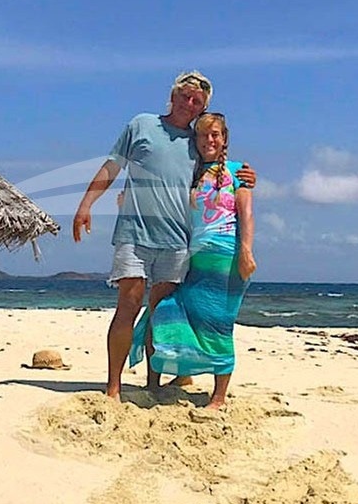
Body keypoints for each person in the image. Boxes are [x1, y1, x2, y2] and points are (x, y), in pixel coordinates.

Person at [72, 71, 254, 401]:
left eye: (196, 101)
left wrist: (246, 176)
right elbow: (112, 166)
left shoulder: (197, 142)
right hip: (134, 233)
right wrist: (86, 204)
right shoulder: (141, 124)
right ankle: (113, 387)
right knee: (127, 306)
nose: (189, 103)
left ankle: (152, 383)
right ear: (172, 95)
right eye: (184, 96)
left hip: (176, 242)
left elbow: (220, 167)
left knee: (160, 314)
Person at [128, 112, 255, 410]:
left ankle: (219, 397)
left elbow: (246, 214)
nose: (209, 140)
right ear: (195, 140)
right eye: (203, 135)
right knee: (165, 312)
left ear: (224, 139)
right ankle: (158, 382)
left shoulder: (238, 173)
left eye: (215, 135)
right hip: (192, 258)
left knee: (217, 324)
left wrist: (247, 251)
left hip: (226, 258)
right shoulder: (190, 173)